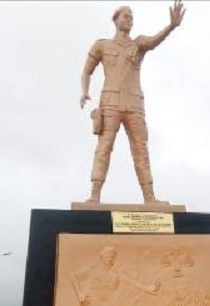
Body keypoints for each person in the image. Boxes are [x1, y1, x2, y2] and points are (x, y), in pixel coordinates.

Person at [80, 1, 185, 205]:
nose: (129, 19)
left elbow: (154, 40)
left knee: (141, 150)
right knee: (104, 148)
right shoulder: (102, 45)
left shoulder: (138, 44)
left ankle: (149, 196)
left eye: (132, 17)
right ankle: (94, 194)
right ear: (116, 20)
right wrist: (84, 92)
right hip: (110, 103)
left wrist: (170, 27)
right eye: (126, 16)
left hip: (134, 104)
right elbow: (86, 71)